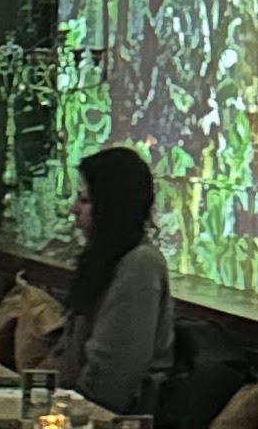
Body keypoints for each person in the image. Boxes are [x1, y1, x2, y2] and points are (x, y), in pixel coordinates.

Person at [60, 142, 175, 415]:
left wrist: (66, 414)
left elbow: (112, 376)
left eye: (85, 201)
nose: (74, 209)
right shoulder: (103, 260)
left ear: (111, 206)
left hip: (108, 424)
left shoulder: (139, 265)